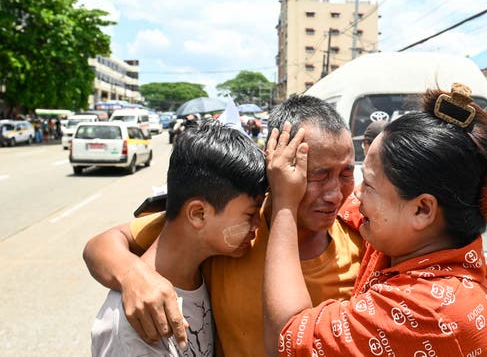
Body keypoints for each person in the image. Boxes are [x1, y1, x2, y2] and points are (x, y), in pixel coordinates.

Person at [82, 95, 362, 356]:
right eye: (318, 175)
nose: (335, 194)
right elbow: (102, 245)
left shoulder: (363, 238)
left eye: (346, 173)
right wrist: (134, 276)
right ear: (278, 165)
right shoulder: (234, 224)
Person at [264, 84, 487, 355]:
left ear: (421, 210)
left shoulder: (429, 311)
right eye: (320, 175)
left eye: (368, 184)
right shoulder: (416, 242)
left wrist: (285, 204)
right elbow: (349, 208)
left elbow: (287, 335)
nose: (353, 193)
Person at [91, 119, 266, 356]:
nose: (258, 224)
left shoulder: (200, 271)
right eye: (251, 213)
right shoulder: (136, 317)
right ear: (198, 214)